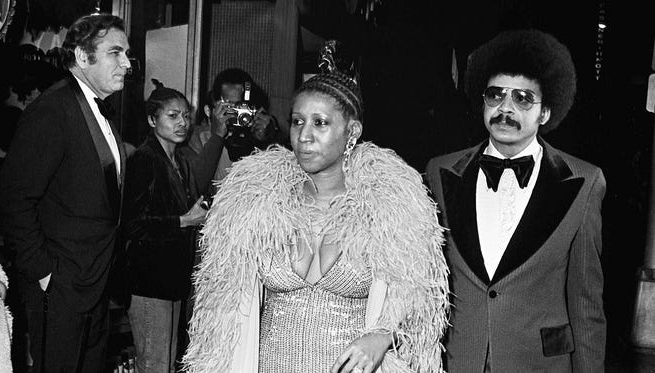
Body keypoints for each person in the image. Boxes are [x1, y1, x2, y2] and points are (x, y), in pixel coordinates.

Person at [183, 58, 450, 372]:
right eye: (298, 122)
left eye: (320, 123)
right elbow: (220, 303)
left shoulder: (387, 210)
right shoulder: (257, 206)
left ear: (352, 132)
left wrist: (382, 335)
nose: (304, 136)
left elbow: (421, 294)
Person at [426, 29, 606, 372]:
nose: (505, 109)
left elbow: (586, 306)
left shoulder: (584, 182)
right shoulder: (440, 172)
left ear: (546, 112)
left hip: (539, 364)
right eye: (496, 95)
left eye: (523, 98)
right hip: (457, 361)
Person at [0, 13, 131, 372]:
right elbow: (12, 198)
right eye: (116, 52)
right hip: (60, 287)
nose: (127, 63)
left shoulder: (100, 114)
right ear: (83, 57)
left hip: (96, 283)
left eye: (127, 53)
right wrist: (44, 273)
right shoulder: (53, 110)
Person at [121, 82, 226, 372]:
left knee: (166, 363)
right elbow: (133, 224)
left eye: (185, 115)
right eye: (172, 116)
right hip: (148, 280)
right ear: (152, 120)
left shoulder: (179, 159)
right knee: (155, 363)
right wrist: (183, 220)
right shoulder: (144, 159)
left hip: (172, 277)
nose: (182, 123)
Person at [187, 68, 281, 174]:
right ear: (209, 110)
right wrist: (217, 137)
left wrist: (270, 140)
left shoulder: (256, 135)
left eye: (241, 108)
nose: (237, 114)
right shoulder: (195, 138)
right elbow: (196, 184)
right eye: (230, 107)